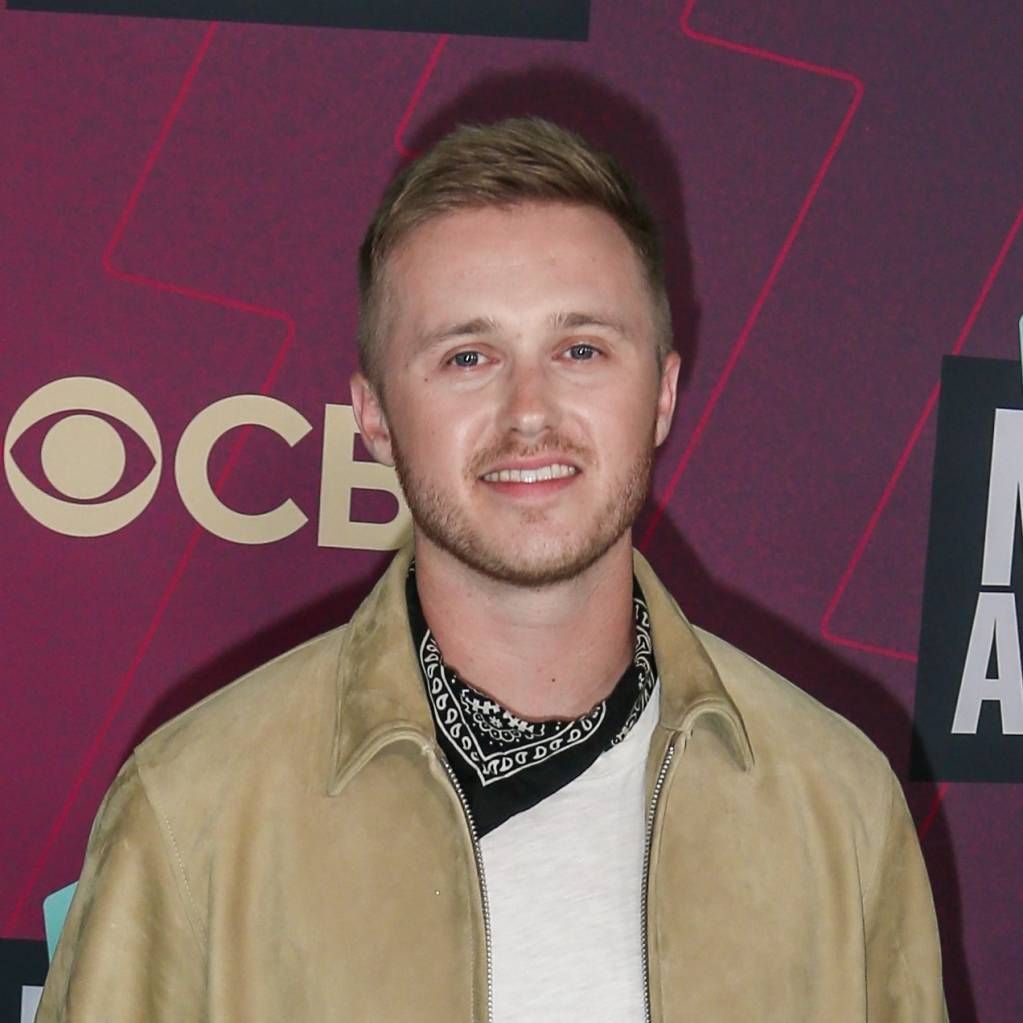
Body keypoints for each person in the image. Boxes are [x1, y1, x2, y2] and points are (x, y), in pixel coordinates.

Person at [37, 116, 947, 1022]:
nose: (528, 412)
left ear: (663, 393)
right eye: (467, 357)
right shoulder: (191, 814)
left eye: (580, 349)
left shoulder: (837, 807)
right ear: (374, 414)